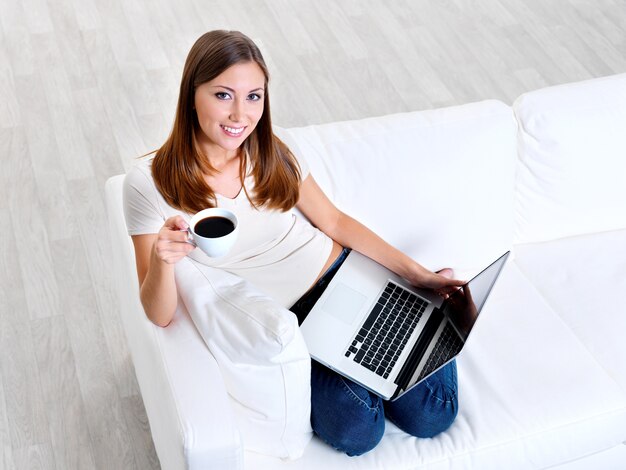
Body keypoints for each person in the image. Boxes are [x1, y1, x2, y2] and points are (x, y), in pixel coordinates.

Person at [123, 30, 464, 456]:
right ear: (192, 94)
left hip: (341, 279)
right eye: (223, 95)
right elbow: (158, 314)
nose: (240, 115)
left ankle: (414, 319)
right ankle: (394, 347)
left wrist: (416, 274)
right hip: (291, 324)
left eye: (254, 97)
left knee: (434, 413)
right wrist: (163, 260)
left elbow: (334, 220)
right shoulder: (148, 183)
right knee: (358, 428)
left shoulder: (272, 150)